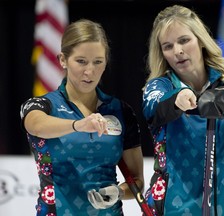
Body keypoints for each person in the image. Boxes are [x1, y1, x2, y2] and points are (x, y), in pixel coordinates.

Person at [142, 5, 224, 216]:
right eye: (168, 46)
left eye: (184, 40)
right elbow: (153, 109)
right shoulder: (160, 86)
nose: (177, 51)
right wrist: (177, 99)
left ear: (201, 40)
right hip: (176, 209)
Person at [20, 19, 144, 216]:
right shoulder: (42, 106)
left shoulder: (121, 111)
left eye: (98, 62)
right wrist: (79, 125)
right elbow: (35, 125)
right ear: (62, 60)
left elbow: (137, 182)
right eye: (81, 61)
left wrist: (118, 192)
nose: (89, 71)